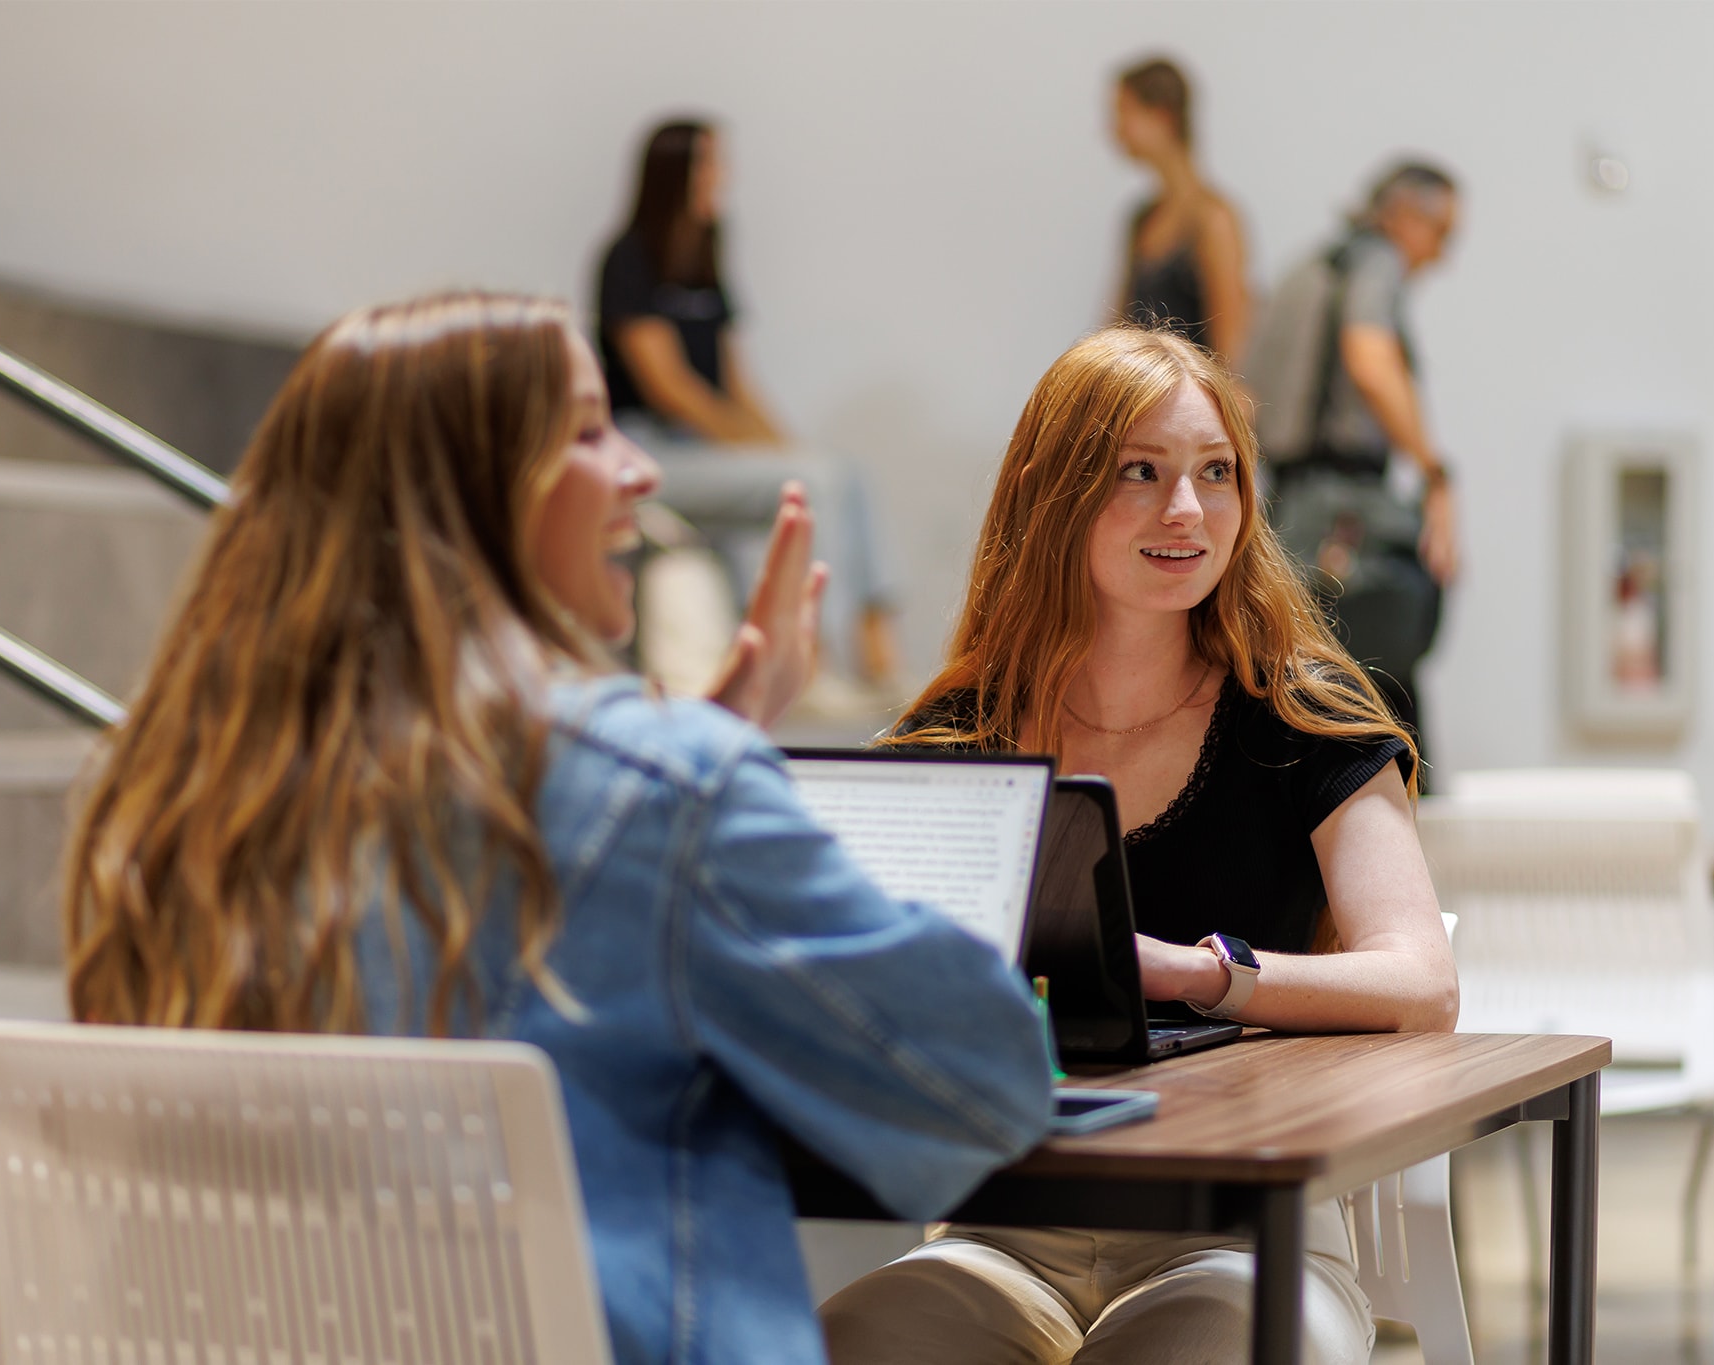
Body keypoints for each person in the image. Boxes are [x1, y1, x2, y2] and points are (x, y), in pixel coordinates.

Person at [60, 293, 1055, 1365]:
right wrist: (716, 775)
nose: (640, 469)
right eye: (586, 432)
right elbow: (979, 1089)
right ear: (469, 491)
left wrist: (705, 759)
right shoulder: (661, 786)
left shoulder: (176, 794)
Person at [819, 327, 1458, 1365]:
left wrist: (1191, 974)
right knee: (839, 1345)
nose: (1185, 512)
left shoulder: (1303, 719)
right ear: (1053, 494)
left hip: (1244, 1240)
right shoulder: (958, 739)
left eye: (1215, 474)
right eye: (1139, 473)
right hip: (998, 1237)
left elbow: (1421, 982)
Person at [599, 118, 902, 692]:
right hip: (651, 452)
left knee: (841, 472)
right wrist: (758, 449)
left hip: (702, 447)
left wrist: (784, 446)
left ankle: (878, 653)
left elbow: (736, 384)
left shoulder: (706, 252)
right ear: (676, 175)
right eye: (709, 165)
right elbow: (672, 390)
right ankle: (816, 662)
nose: (722, 177)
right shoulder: (627, 259)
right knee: (813, 480)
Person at [1250, 162, 1462, 772]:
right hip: (1344, 511)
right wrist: (1436, 473)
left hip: (1287, 506)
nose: (1442, 255)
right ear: (1403, 215)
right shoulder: (1377, 264)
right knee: (1384, 683)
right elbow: (1369, 358)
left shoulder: (1306, 269)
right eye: (1441, 232)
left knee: (1299, 680)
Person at [1111, 57, 1251, 361]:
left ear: (1163, 116)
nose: (1115, 130)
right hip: (1140, 396)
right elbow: (1117, 327)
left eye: (1124, 112)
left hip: (1189, 400)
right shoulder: (1142, 218)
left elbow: (1232, 350)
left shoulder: (1213, 220)